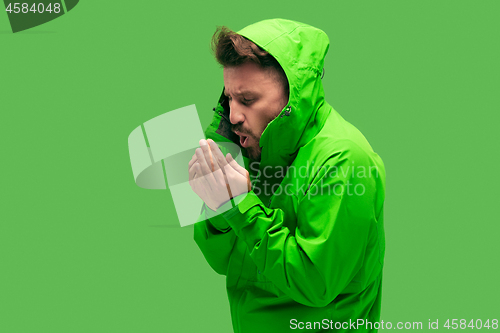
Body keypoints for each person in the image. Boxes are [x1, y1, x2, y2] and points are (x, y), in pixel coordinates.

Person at [188, 18, 386, 333]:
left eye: (248, 100)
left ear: (291, 98)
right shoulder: (255, 148)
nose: (234, 115)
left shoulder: (344, 160)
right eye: (229, 99)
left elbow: (316, 284)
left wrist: (240, 204)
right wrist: (217, 202)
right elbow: (224, 263)